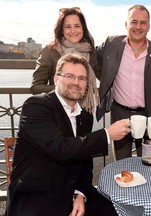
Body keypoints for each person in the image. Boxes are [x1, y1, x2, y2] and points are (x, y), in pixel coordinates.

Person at [6, 54, 130, 216]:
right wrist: (107, 134)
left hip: (71, 190)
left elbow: (85, 162)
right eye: (69, 76)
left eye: (81, 78)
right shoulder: (37, 105)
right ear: (56, 79)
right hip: (36, 194)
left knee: (115, 211)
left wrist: (80, 194)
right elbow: (60, 148)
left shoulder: (85, 116)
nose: (76, 82)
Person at [96, 5, 151, 160]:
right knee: (122, 164)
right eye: (134, 21)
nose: (138, 27)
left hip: (149, 116)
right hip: (120, 114)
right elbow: (91, 56)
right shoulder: (111, 43)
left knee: (150, 162)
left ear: (149, 26)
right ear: (126, 24)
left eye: (143, 23)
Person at [30, 7, 99, 113]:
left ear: (83, 28)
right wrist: (65, 88)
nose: (73, 31)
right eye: (67, 27)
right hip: (57, 111)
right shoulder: (50, 51)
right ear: (61, 30)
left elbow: (104, 75)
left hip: (84, 111)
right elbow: (35, 87)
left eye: (77, 26)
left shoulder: (91, 52)